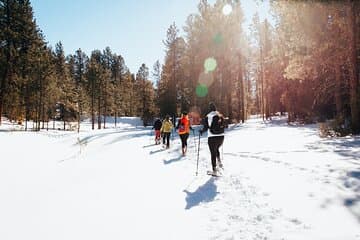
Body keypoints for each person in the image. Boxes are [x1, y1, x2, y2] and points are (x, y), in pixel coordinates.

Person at [199, 102, 225, 175]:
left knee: (213, 153)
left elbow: (206, 127)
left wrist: (201, 131)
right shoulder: (220, 115)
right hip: (221, 137)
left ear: (209, 109)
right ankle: (219, 163)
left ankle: (214, 170)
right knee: (216, 149)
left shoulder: (208, 116)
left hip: (212, 137)